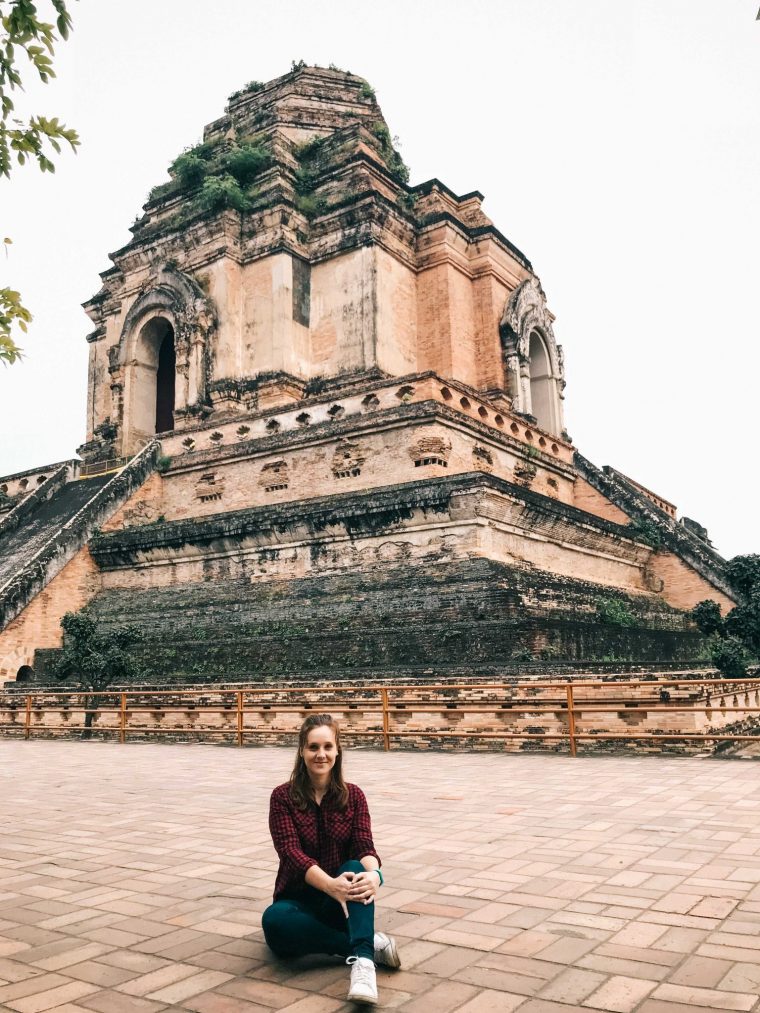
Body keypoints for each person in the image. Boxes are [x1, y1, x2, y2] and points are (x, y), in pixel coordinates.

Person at [262, 713, 401, 1005]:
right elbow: (291, 853)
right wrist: (328, 885)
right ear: (302, 751)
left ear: (337, 751)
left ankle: (363, 966)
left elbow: (365, 845)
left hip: (340, 904)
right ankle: (367, 945)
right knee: (275, 924)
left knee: (355, 868)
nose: (320, 754)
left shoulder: (354, 796)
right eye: (313, 747)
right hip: (298, 900)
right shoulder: (282, 798)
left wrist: (376, 876)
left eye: (327, 746)